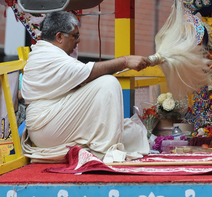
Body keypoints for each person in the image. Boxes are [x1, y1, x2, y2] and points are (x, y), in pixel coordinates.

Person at [20, 11, 152, 162]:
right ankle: (105, 152)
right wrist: (125, 61)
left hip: (51, 126)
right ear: (60, 37)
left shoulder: (46, 52)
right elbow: (87, 73)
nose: (78, 41)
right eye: (75, 36)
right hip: (46, 129)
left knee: (131, 132)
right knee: (108, 83)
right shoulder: (47, 55)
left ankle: (100, 146)